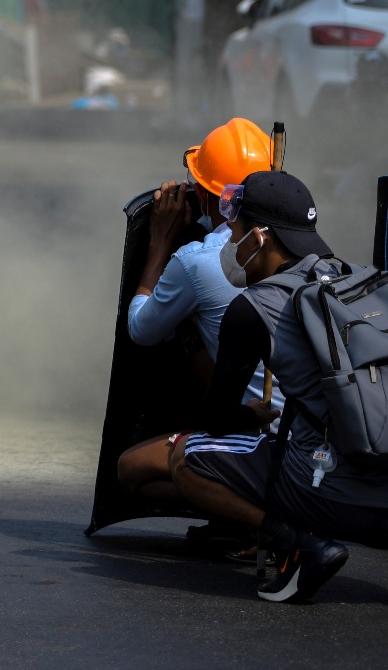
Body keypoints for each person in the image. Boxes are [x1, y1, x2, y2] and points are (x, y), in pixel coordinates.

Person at [159, 172, 387, 603]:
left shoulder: (252, 307)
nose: (230, 240)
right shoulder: (362, 279)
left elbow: (216, 419)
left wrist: (254, 415)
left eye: (236, 229)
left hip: (331, 493)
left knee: (185, 457)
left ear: (260, 238)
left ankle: (299, 545)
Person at [125, 118, 283, 417]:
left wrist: (160, 242)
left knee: (132, 464)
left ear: (202, 196)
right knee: (200, 353)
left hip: (264, 429)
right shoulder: (294, 243)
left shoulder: (197, 260)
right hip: (310, 423)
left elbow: (141, 329)